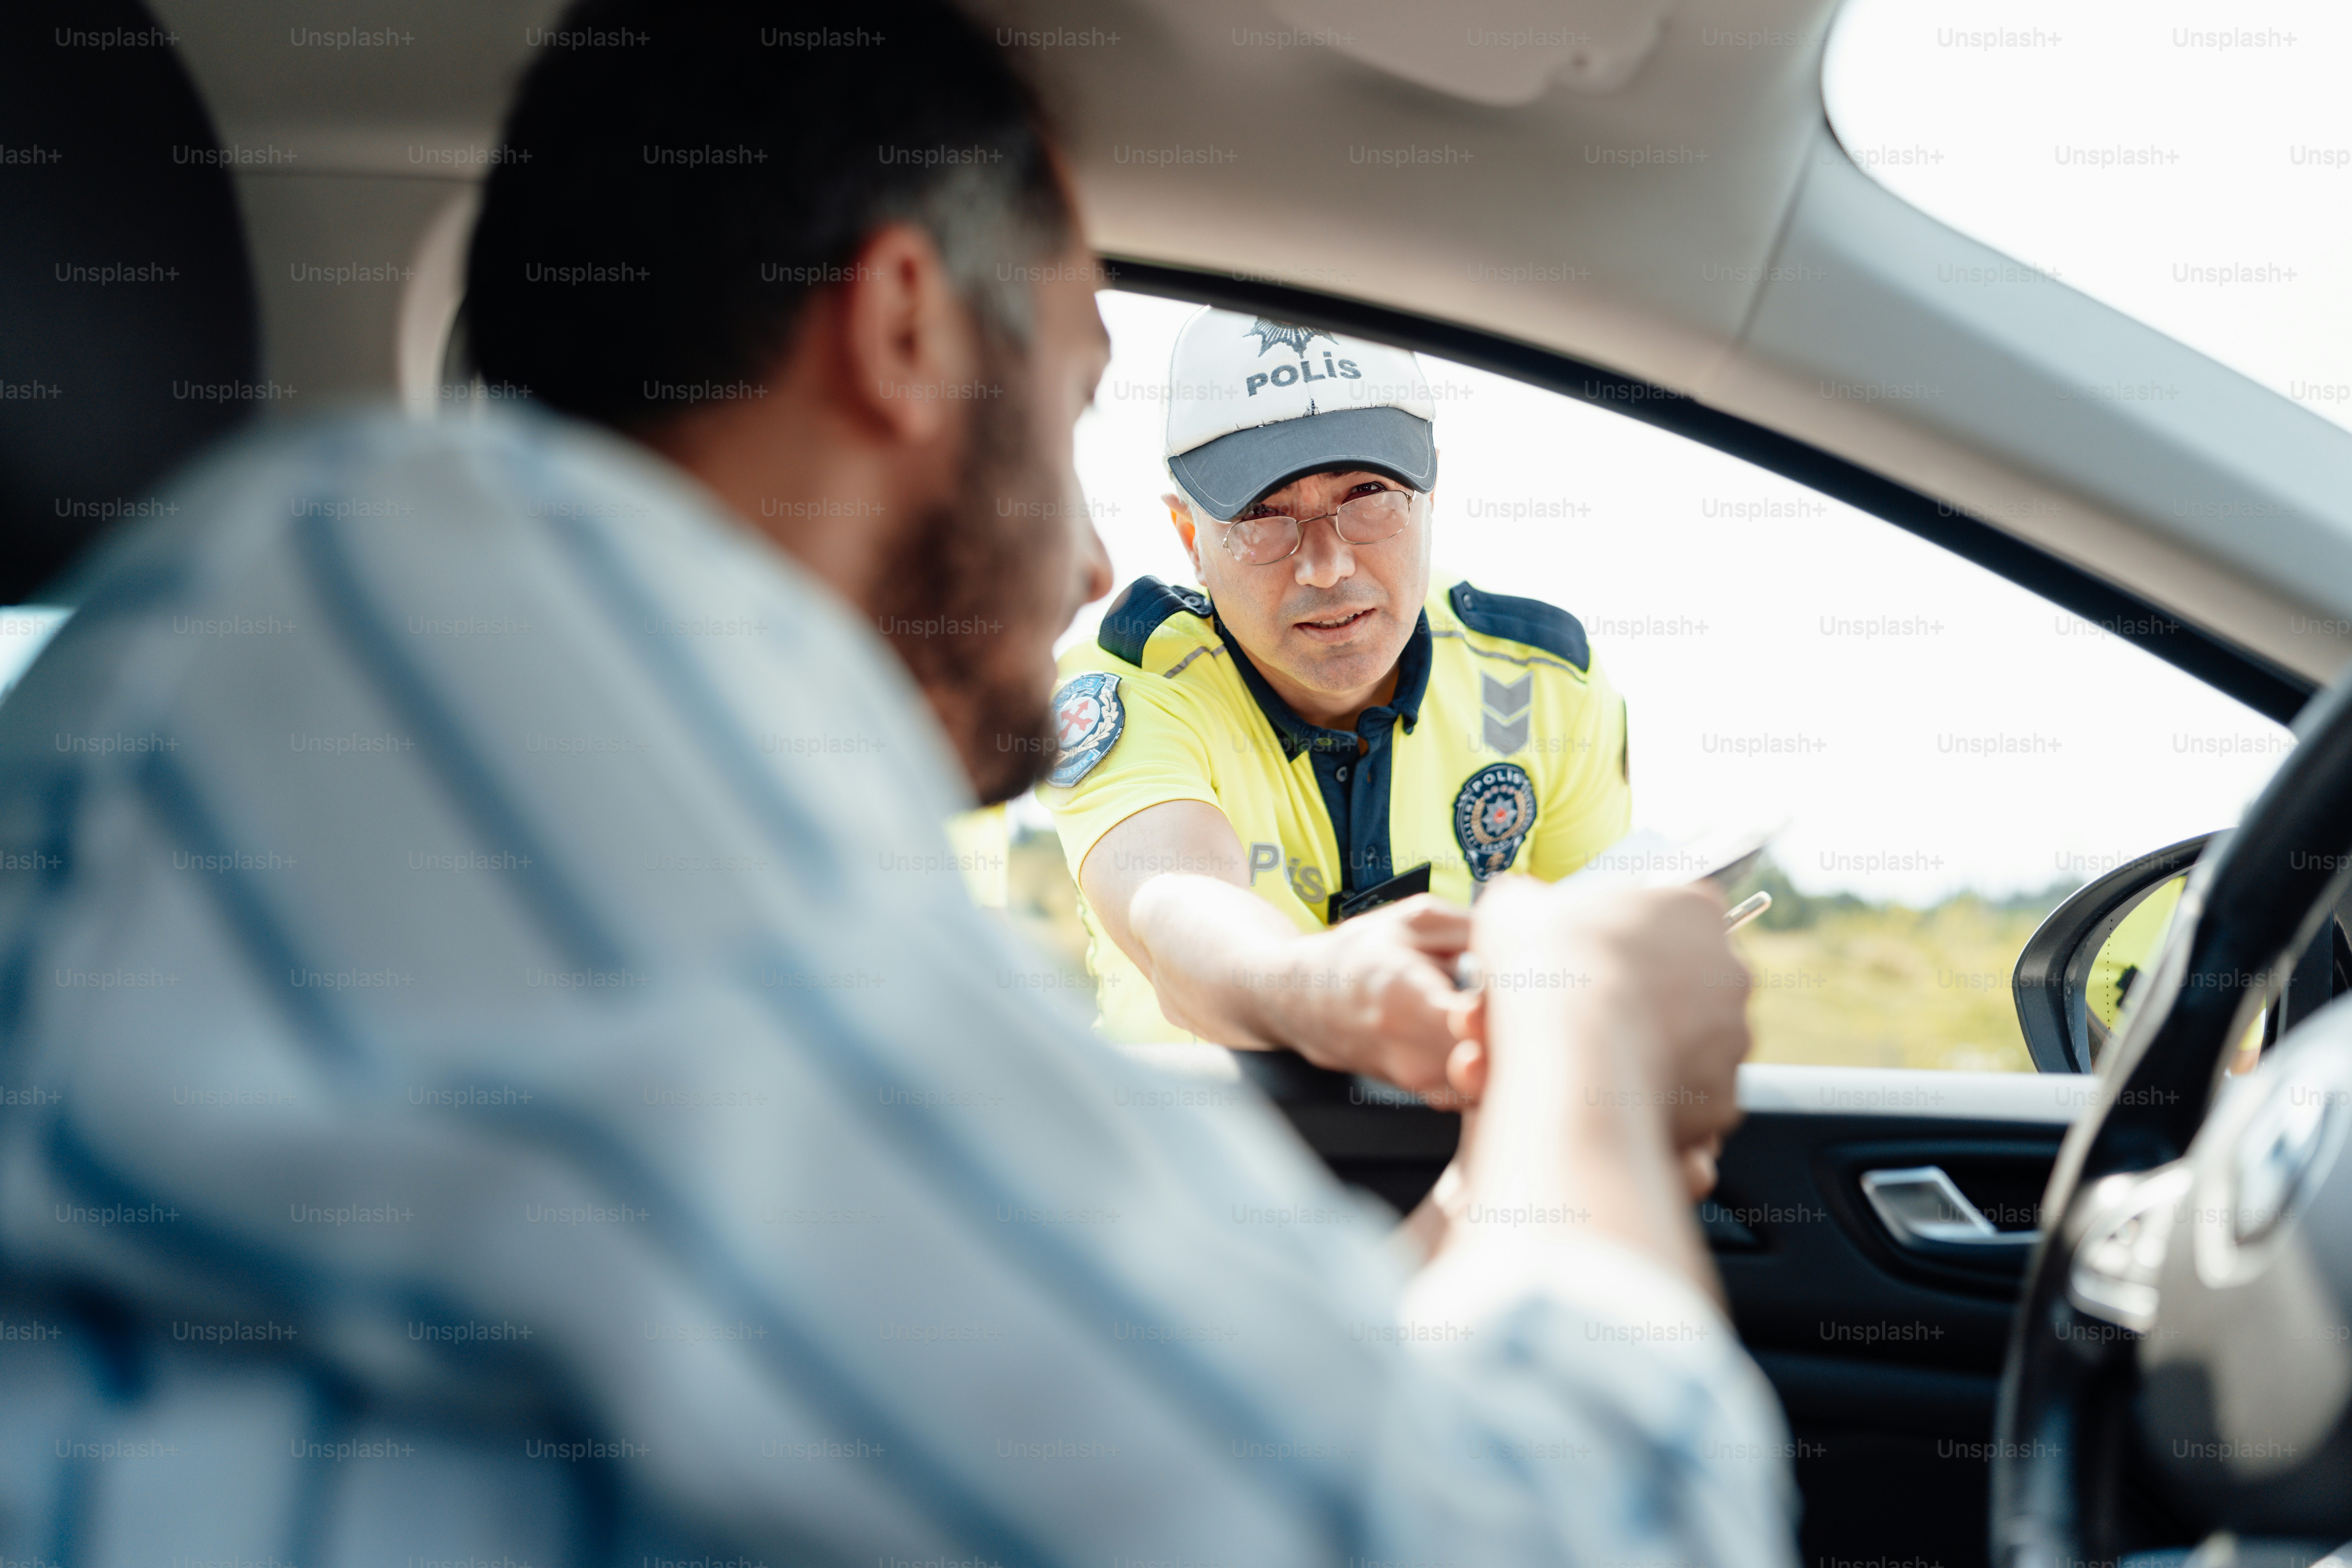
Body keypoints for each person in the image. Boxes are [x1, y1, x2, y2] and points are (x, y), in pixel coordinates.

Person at [0, 3, 1794, 1565]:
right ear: (913, 325)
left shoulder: (509, 735)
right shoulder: (483, 649)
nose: (1098, 568)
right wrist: (1582, 1037)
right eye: (1071, 398)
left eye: (1362, 508)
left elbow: (1133, 1449)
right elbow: (1571, 1540)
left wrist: (1492, 1187)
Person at [1043, 309, 1631, 1093]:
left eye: (1370, 494)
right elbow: (1175, 916)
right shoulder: (1130, 686)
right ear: (1188, 533)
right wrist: (1328, 988)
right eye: (1261, 514)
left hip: (1472, 1164)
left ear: (1430, 490)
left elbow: (1601, 970)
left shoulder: (1548, 680)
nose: (1326, 563)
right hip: (1197, 1176)